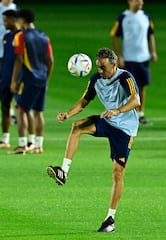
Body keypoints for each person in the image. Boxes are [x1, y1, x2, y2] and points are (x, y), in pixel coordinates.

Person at [46, 48, 141, 232]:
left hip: (124, 129)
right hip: (107, 120)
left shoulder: (125, 77)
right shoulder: (96, 80)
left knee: (117, 173)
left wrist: (118, 110)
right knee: (76, 126)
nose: (100, 71)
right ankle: (63, 171)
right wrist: (68, 114)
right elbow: (84, 101)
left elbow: (136, 100)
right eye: (98, 67)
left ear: (114, 65)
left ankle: (110, 219)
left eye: (104, 67)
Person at [8, 9, 54, 154]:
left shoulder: (21, 36)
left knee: (21, 110)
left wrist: (14, 81)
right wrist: (46, 79)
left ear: (21, 20)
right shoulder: (44, 36)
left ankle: (23, 145)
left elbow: (19, 60)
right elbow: (50, 60)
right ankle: (38, 145)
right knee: (38, 112)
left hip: (28, 78)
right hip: (42, 78)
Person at [0, 9, 35, 150]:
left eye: (6, 20)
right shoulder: (6, 37)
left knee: (24, 109)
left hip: (20, 79)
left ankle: (30, 141)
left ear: (13, 20)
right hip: (5, 78)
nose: (4, 23)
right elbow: (5, 58)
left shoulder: (23, 36)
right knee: (4, 106)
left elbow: (22, 59)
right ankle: (5, 140)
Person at [110, 0, 157, 125]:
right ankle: (125, 114)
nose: (140, 2)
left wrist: (153, 51)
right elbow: (114, 35)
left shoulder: (146, 17)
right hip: (128, 59)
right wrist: (118, 55)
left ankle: (140, 114)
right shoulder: (123, 18)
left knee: (141, 86)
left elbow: (150, 35)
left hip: (143, 58)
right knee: (127, 87)